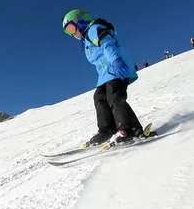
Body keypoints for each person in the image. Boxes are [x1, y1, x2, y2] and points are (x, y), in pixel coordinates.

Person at [61, 9, 156, 147]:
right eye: (67, 32)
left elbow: (107, 43)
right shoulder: (87, 40)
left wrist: (116, 60)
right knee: (99, 97)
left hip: (117, 69)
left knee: (114, 97)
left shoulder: (94, 29)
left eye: (71, 28)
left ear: (80, 21)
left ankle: (128, 129)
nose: (72, 34)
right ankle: (107, 130)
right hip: (106, 75)